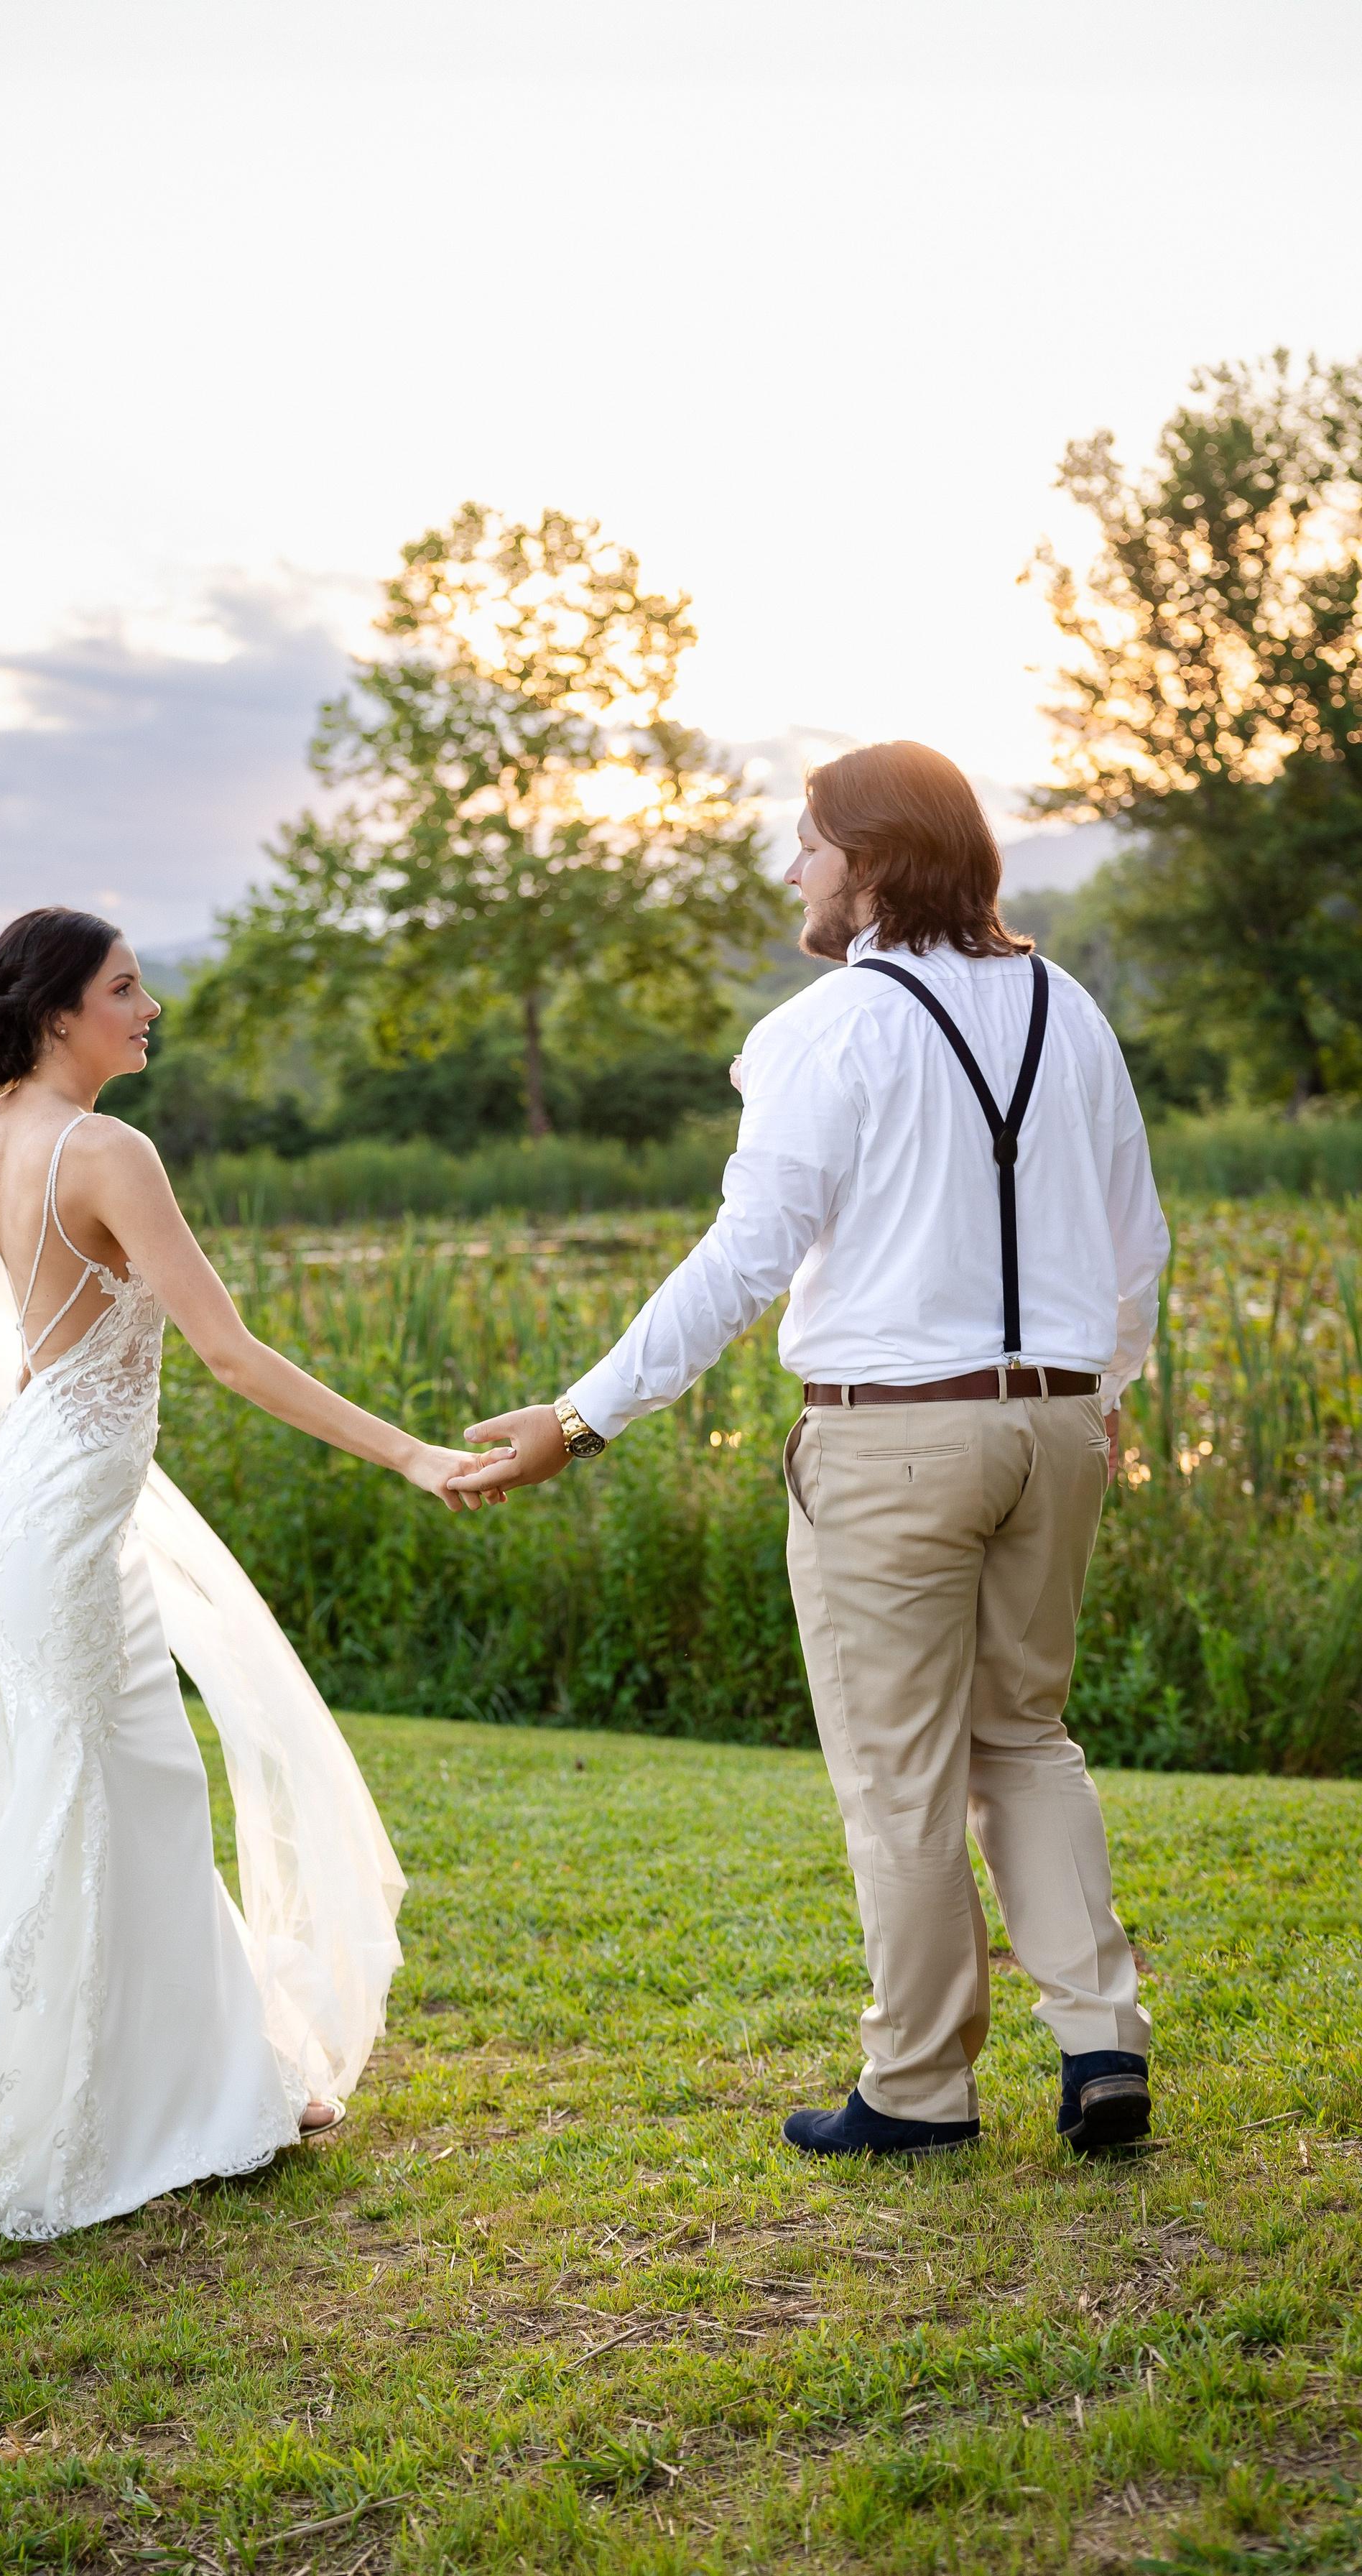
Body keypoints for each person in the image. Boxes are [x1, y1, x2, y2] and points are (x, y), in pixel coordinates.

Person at [0, 907, 496, 2241]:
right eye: (127, 988)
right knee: (96, 1782)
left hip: (29, 1494)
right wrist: (409, 1452)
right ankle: (69, 2101)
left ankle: (221, 2075)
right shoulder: (105, 1151)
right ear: (61, 1011)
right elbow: (235, 1357)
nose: (150, 1008)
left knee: (123, 1778)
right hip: (61, 1505)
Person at [450, 740, 1168, 2159]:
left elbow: (742, 1259)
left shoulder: (823, 1027)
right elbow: (1133, 1236)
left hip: (891, 1443)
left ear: (871, 859)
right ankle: (1099, 2044)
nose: (790, 868)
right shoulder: (1067, 1006)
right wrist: (1097, 1390)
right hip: (1053, 1423)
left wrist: (581, 1414)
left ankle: (914, 2088)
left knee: (898, 1774)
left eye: (805, 843)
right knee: (1023, 1736)